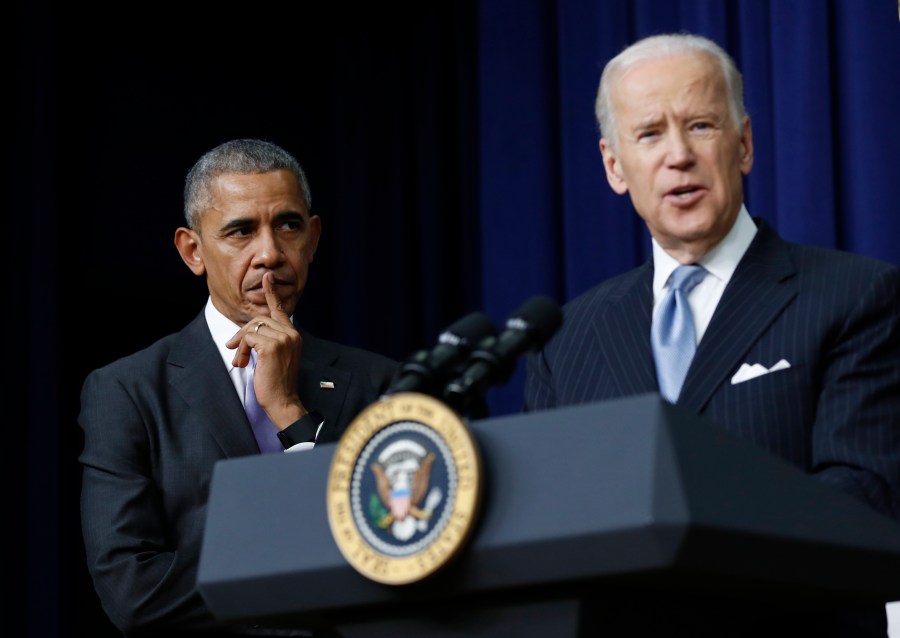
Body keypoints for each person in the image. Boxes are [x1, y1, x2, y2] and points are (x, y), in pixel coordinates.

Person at [523, 33, 900, 637]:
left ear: (744, 144)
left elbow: (860, 501)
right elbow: (550, 531)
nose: (678, 155)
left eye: (700, 125)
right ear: (614, 166)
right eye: (649, 134)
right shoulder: (565, 338)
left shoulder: (856, 297)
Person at [78, 138, 401, 637]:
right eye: (240, 231)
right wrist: (307, 582)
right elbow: (133, 592)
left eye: (288, 225)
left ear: (313, 239)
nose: (269, 254)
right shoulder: (126, 391)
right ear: (192, 251)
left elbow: (396, 544)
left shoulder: (384, 383)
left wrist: (292, 414)